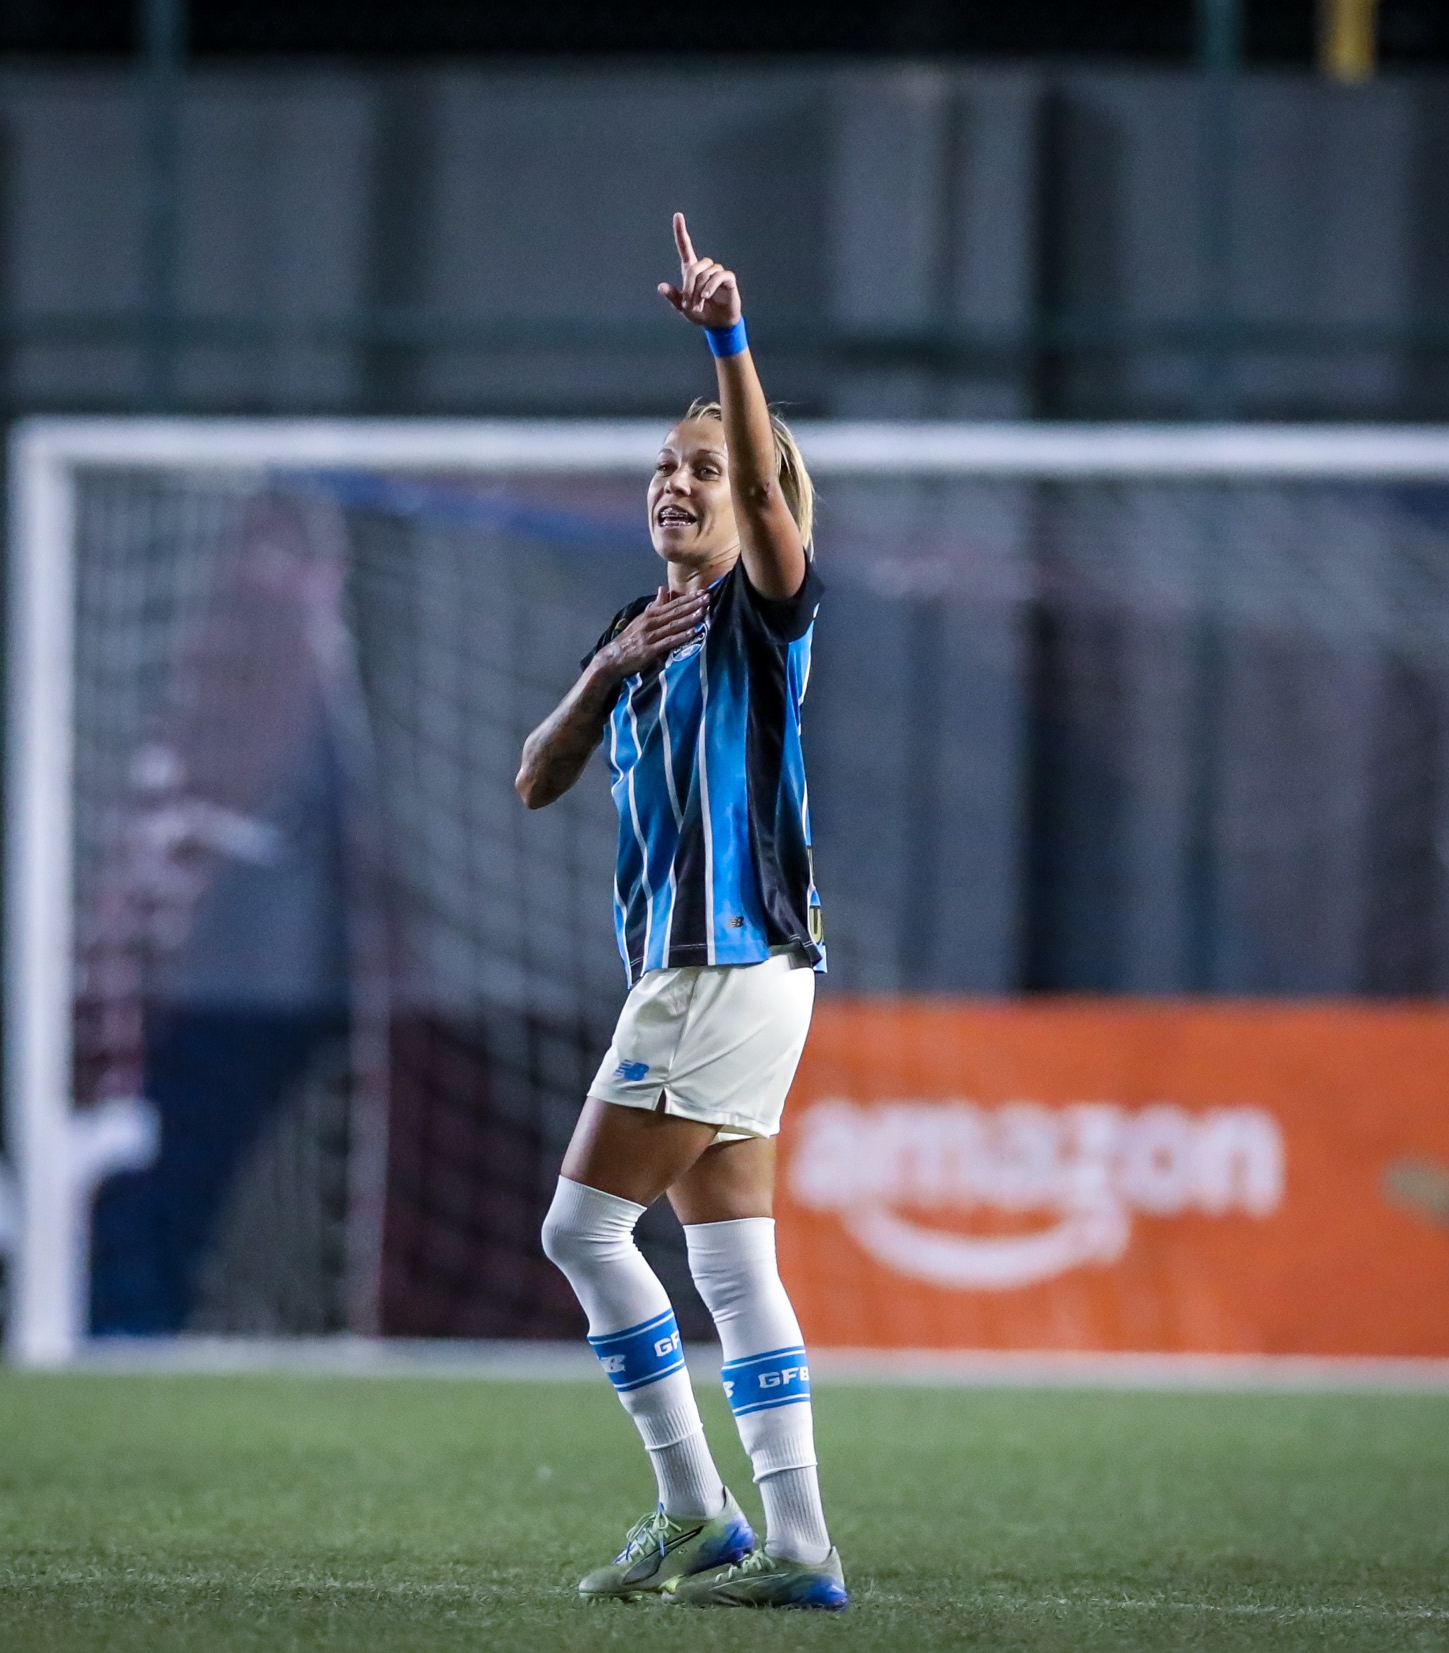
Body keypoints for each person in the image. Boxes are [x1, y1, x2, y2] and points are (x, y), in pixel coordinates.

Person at [513, 213, 843, 1611]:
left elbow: (772, 505)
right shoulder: (635, 630)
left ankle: (693, 1503)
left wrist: (728, 338)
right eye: (665, 462)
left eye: (703, 467)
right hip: (742, 974)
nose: (677, 482)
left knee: (580, 1234)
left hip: (720, 965)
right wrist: (602, 675)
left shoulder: (761, 612)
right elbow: (535, 778)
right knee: (728, 1256)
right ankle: (802, 1547)